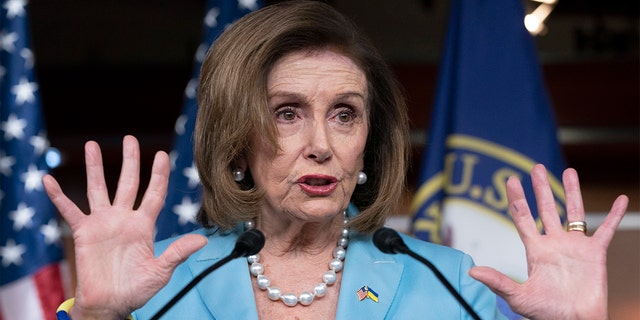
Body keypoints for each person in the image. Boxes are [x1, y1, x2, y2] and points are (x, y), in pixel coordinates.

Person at [44, 1, 629, 319]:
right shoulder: (161, 291)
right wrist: (97, 318)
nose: (321, 142)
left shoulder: (448, 284)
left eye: (345, 113)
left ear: (368, 142)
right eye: (287, 112)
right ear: (236, 139)